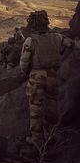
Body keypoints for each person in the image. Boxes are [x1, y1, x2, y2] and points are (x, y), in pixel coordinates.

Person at [20, 10, 74, 150]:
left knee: (36, 109)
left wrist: (28, 73)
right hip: (52, 76)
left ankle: (37, 140)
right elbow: (72, 45)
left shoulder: (30, 40)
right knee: (52, 107)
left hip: (36, 77)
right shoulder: (57, 37)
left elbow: (24, 63)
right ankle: (51, 137)